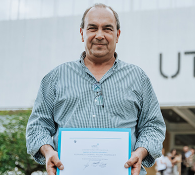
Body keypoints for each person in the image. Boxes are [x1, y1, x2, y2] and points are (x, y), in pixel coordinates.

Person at [25, 3, 166, 175]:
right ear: (82, 33)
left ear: (117, 34)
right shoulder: (55, 77)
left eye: (107, 29)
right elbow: (37, 126)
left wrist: (141, 151)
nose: (100, 35)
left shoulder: (138, 78)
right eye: (92, 28)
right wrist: (48, 151)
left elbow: (153, 126)